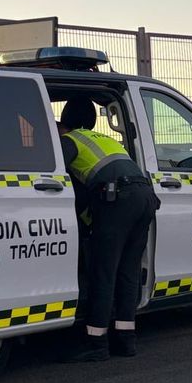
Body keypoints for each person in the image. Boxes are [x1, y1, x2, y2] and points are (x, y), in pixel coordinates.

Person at [57, 99, 159, 362]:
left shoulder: (71, 140)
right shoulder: (104, 139)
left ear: (64, 122)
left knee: (104, 271)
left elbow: (55, 172)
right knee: (128, 271)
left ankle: (96, 343)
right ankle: (126, 340)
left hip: (119, 199)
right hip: (145, 197)